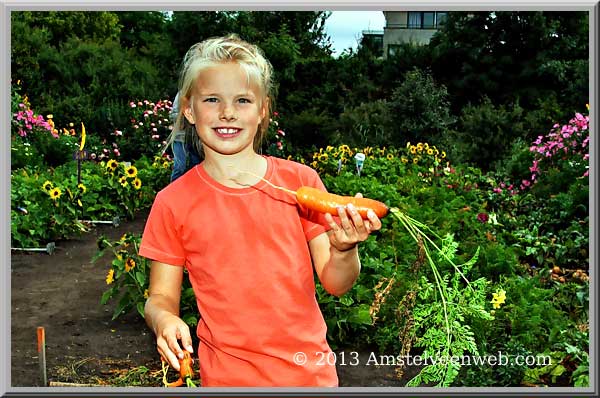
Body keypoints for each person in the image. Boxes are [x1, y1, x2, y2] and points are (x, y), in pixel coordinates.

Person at [139, 34, 382, 387]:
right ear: (189, 109)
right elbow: (159, 297)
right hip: (226, 379)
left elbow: (336, 282)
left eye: (242, 100)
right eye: (212, 99)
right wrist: (164, 319)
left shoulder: (301, 183)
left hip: (308, 376)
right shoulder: (173, 202)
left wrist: (345, 248)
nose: (227, 112)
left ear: (262, 109)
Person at [168, 92, 202, 182]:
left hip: (194, 138)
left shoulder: (199, 93)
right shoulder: (181, 95)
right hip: (179, 138)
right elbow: (173, 114)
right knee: (180, 166)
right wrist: (184, 116)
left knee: (195, 165)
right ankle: (173, 190)